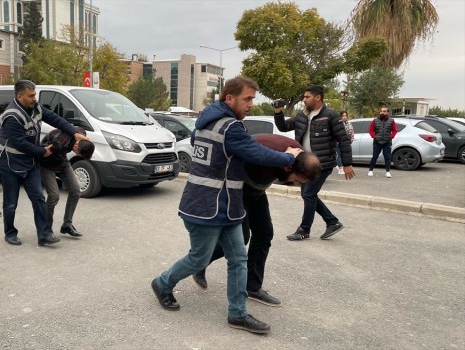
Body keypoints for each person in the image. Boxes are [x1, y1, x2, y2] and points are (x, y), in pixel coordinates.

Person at [151, 76, 302, 334]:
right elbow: (257, 153)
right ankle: (162, 283)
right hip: (205, 207)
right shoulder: (229, 127)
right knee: (198, 259)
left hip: (228, 205)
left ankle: (237, 313)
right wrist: (289, 156)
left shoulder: (207, 123)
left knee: (238, 259)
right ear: (229, 98)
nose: (252, 104)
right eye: (247, 99)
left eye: (253, 98)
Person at [192, 134, 321, 307]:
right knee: (241, 238)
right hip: (238, 189)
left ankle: (252, 287)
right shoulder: (269, 161)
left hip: (256, 189)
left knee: (264, 234)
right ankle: (200, 262)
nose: (297, 185)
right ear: (288, 168)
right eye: (297, 180)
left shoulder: (298, 156)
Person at [0, 80, 89, 247]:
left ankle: (44, 234)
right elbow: (19, 143)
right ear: (19, 96)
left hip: (30, 162)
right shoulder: (12, 116)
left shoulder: (35, 107)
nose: (34, 98)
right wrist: (42, 151)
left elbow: (54, 118)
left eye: (34, 94)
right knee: (11, 203)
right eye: (31, 96)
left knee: (38, 198)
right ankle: (10, 233)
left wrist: (74, 133)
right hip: (9, 163)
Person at [274, 85, 355, 241]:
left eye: (307, 97)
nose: (304, 100)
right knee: (308, 195)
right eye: (304, 97)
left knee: (309, 194)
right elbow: (283, 127)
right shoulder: (301, 116)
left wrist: (347, 163)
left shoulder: (330, 115)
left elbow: (344, 140)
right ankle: (332, 222)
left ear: (318, 97)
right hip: (304, 164)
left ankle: (304, 230)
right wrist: (278, 112)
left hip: (323, 163)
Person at [39, 127, 95, 237]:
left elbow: (79, 129)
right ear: (75, 146)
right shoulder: (58, 143)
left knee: (76, 191)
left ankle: (67, 225)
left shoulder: (80, 135)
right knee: (54, 196)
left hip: (62, 161)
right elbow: (41, 149)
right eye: (79, 154)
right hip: (46, 164)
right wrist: (44, 150)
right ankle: (46, 229)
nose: (78, 156)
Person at [368, 106, 398, 178]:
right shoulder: (375, 120)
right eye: (381, 111)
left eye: (384, 111)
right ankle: (371, 170)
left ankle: (388, 172)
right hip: (377, 142)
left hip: (387, 142)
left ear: (387, 112)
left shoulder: (391, 121)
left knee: (387, 157)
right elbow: (370, 130)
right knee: (374, 157)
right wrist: (374, 136)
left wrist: (391, 136)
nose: (382, 112)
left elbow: (395, 130)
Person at [336, 111, 354, 175]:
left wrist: (351, 140)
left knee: (347, 154)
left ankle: (346, 166)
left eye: (345, 115)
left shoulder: (349, 124)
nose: (344, 117)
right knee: (339, 155)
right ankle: (340, 168)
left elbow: (351, 133)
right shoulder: (338, 123)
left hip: (347, 142)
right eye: (343, 116)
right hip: (338, 142)